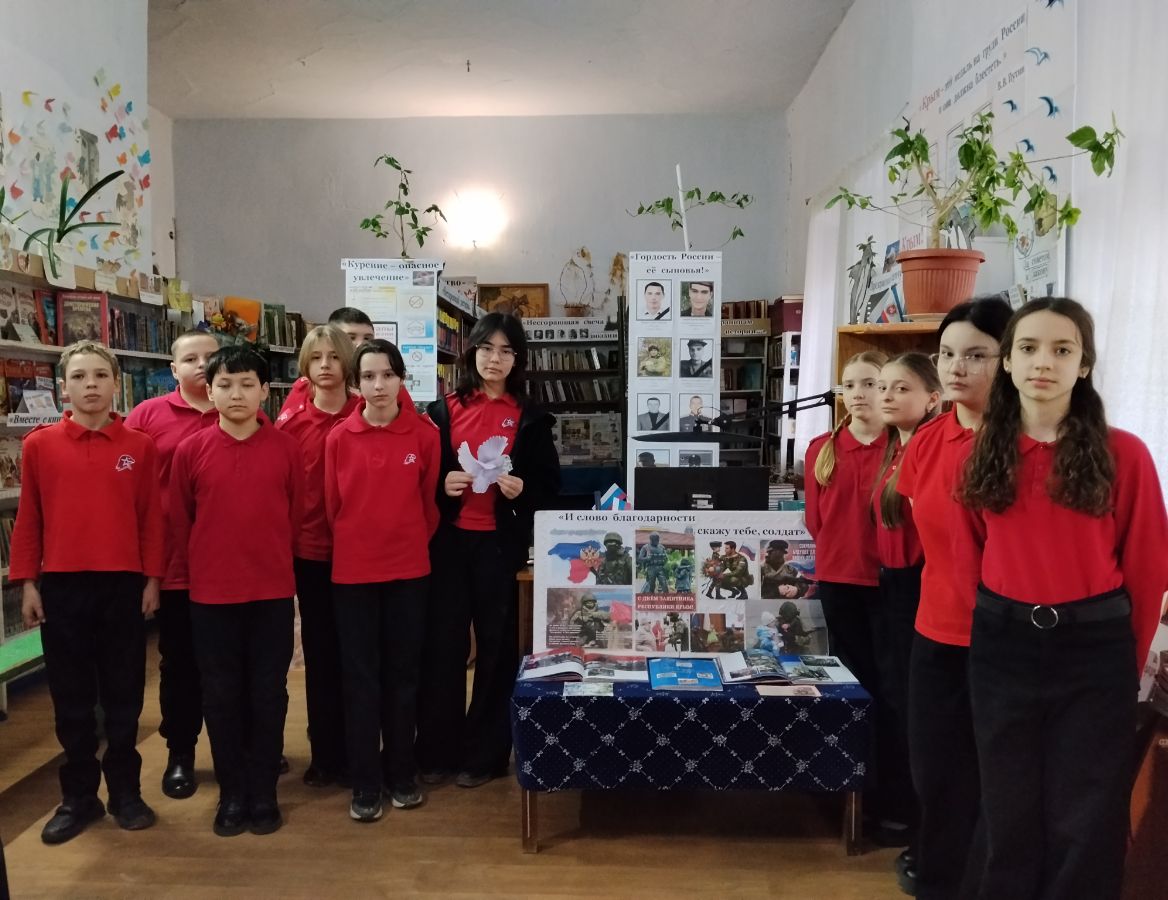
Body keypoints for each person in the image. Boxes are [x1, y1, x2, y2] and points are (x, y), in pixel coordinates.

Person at [955, 299, 1168, 899]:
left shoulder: (1125, 453)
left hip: (1093, 649)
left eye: (1062, 349)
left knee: (1086, 811)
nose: (1042, 362)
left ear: (1084, 364)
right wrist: (992, 632)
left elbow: (1147, 567)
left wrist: (1125, 664)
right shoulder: (981, 453)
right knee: (1008, 805)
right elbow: (972, 557)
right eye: (1027, 348)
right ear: (1007, 361)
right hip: (1003, 646)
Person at [12, 341, 163, 845]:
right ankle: (79, 796)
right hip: (63, 587)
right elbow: (29, 518)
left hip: (123, 585)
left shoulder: (140, 446)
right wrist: (28, 583)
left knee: (124, 693)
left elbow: (150, 518)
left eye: (100, 375)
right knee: (71, 697)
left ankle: (126, 793)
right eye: (79, 377)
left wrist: (152, 578)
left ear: (116, 384)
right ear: (64, 388)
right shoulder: (39, 446)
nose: (90, 385)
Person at [894, 296, 1012, 897]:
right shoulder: (928, 440)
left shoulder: (1026, 442)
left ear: (1007, 359)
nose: (957, 367)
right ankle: (937, 877)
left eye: (976, 355)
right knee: (936, 771)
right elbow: (927, 528)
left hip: (1008, 639)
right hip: (935, 630)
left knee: (999, 777)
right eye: (947, 354)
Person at [415, 312, 560, 788]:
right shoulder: (443, 411)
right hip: (448, 543)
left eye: (505, 351)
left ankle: (485, 755)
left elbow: (550, 488)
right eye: (485, 349)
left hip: (501, 545)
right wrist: (442, 485)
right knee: (443, 645)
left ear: (517, 359)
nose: (494, 359)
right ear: (471, 352)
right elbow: (420, 480)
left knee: (497, 649)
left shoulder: (531, 417)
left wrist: (523, 490)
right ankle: (437, 750)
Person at [169, 345, 304, 837]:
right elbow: (180, 520)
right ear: (209, 391)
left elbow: (294, 517)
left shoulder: (287, 449)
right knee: (221, 695)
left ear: (265, 391)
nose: (237, 394)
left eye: (248, 384)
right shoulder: (191, 451)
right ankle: (231, 793)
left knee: (268, 693)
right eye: (225, 385)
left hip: (270, 593)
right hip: (211, 597)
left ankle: (264, 792)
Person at [325, 339, 440, 821]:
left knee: (403, 676)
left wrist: (403, 542)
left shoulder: (425, 436)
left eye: (388, 375)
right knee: (360, 680)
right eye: (368, 377)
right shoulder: (338, 438)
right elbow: (333, 507)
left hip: (409, 571)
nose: (378, 385)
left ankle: (402, 774)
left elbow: (429, 506)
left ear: (401, 380)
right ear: (356, 384)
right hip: (353, 574)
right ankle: (365, 781)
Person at [124, 330, 221, 801]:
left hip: (228, 566)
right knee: (180, 663)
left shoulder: (242, 408)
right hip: (175, 565)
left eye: (210, 357)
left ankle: (239, 746)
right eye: (191, 358)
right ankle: (180, 752)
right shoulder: (147, 416)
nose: (201, 365)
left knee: (231, 663)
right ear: (173, 368)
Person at [803, 350, 894, 843]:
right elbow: (816, 521)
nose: (858, 394)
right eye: (850, 385)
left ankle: (886, 795)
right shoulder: (822, 448)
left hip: (889, 583)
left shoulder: (902, 447)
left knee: (890, 688)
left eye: (870, 384)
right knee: (849, 686)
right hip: (839, 581)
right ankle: (847, 790)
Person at [273, 325, 360, 788]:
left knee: (358, 655)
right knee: (322, 655)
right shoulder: (290, 424)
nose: (326, 365)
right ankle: (326, 755)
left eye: (334, 356)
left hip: (361, 554)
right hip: (310, 553)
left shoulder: (366, 414)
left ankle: (360, 750)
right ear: (305, 365)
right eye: (316, 357)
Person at [872, 352, 942, 860]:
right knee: (894, 697)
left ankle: (923, 821)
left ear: (933, 398)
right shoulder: (895, 447)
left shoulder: (931, 447)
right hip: (892, 586)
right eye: (884, 387)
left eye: (901, 388)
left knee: (917, 705)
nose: (887, 396)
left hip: (921, 586)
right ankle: (900, 805)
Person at [277, 307, 374, 418]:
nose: (361, 344)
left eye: (367, 338)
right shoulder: (305, 387)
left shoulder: (380, 384)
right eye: (350, 338)